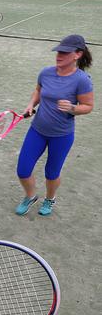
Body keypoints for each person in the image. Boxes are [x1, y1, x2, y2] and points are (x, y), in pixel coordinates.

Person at [15, 35, 94, 216]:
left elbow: (88, 106)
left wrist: (73, 107)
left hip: (62, 135)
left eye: (65, 52)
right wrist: (30, 105)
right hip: (38, 130)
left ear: (77, 55)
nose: (59, 55)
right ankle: (30, 196)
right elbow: (38, 91)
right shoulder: (46, 73)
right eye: (59, 51)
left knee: (52, 173)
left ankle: (50, 199)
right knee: (23, 169)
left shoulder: (82, 80)